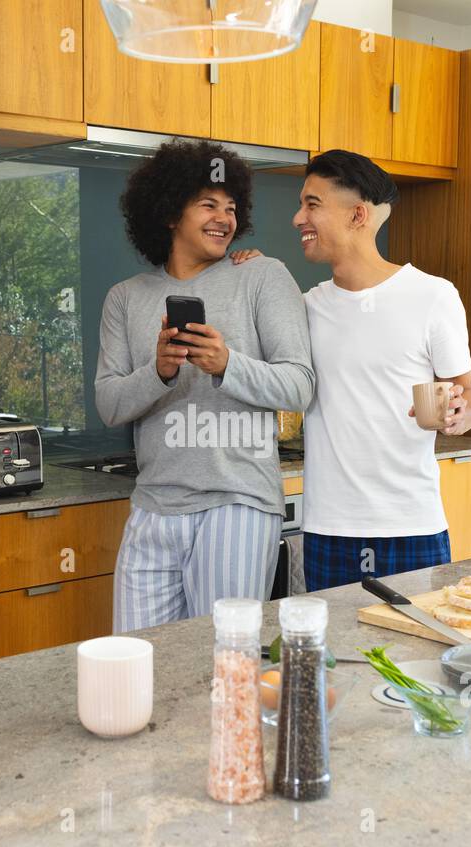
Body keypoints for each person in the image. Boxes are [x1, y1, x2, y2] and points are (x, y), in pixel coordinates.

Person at [95, 140, 315, 631]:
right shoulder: (125, 299)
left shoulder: (261, 275)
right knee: (141, 660)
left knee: (221, 664)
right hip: (153, 505)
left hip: (236, 502)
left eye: (232, 207)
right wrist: (159, 372)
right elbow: (110, 403)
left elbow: (299, 385)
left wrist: (226, 364)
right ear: (171, 212)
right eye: (209, 204)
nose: (225, 218)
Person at [293, 149, 471, 591]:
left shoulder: (433, 296)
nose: (298, 217)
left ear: (358, 214)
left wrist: (459, 413)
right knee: (339, 659)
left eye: (312, 204)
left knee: (414, 654)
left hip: (410, 522)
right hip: (327, 525)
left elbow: (467, 393)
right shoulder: (306, 306)